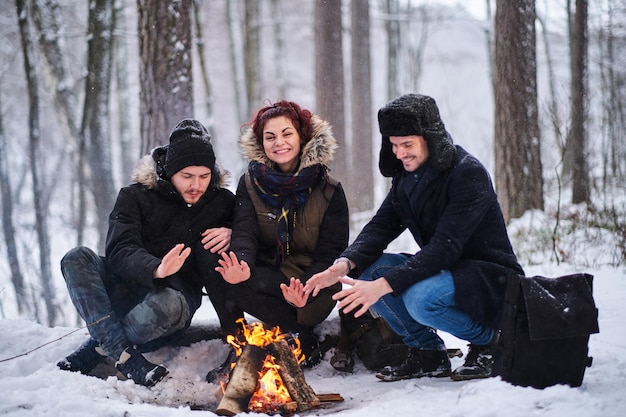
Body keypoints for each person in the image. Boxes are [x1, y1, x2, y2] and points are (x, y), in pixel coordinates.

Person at [304, 93, 525, 382]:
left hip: (488, 278)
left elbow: (445, 248)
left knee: (421, 299)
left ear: (430, 139)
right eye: (394, 145)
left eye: (407, 144)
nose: (400, 153)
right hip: (446, 269)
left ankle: (490, 342)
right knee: (368, 269)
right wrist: (343, 264)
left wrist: (384, 286)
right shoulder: (407, 178)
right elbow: (381, 226)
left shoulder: (467, 173)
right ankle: (427, 352)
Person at [57, 119, 235, 387]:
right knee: (75, 257)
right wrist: (156, 268)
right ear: (169, 170)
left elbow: (254, 235)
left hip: (174, 298)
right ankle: (125, 356)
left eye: (204, 176)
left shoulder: (223, 203)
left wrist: (233, 233)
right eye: (187, 176)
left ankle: (99, 347)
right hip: (125, 284)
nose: (196, 185)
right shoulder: (134, 196)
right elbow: (120, 248)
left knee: (167, 305)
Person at [208, 99, 349, 375]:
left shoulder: (329, 190)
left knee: (295, 296)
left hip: (315, 281)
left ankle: (302, 334)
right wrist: (242, 265)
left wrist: (306, 290)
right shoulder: (249, 183)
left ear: (302, 136)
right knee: (229, 275)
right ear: (261, 143)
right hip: (271, 275)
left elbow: (330, 253)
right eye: (269, 137)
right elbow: (245, 231)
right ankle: (253, 341)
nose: (279, 143)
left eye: (287, 134)